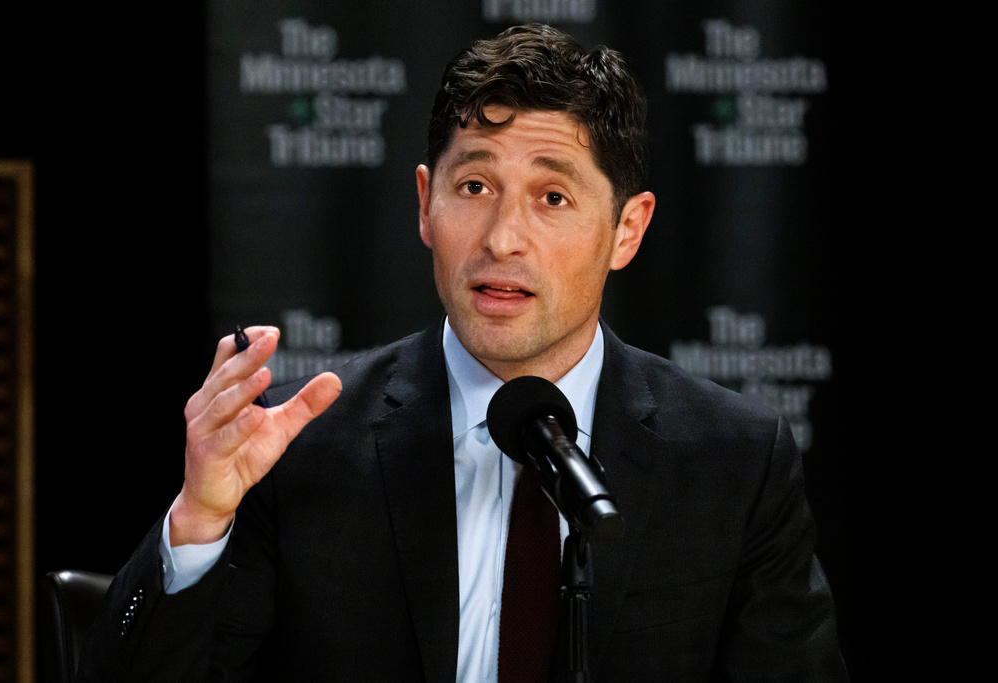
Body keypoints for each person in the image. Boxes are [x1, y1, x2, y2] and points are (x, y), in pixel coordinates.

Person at [77, 24, 848, 682]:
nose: (502, 238)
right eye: (474, 186)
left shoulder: (734, 461)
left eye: (552, 197)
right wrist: (200, 521)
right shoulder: (299, 445)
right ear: (425, 203)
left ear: (627, 229)